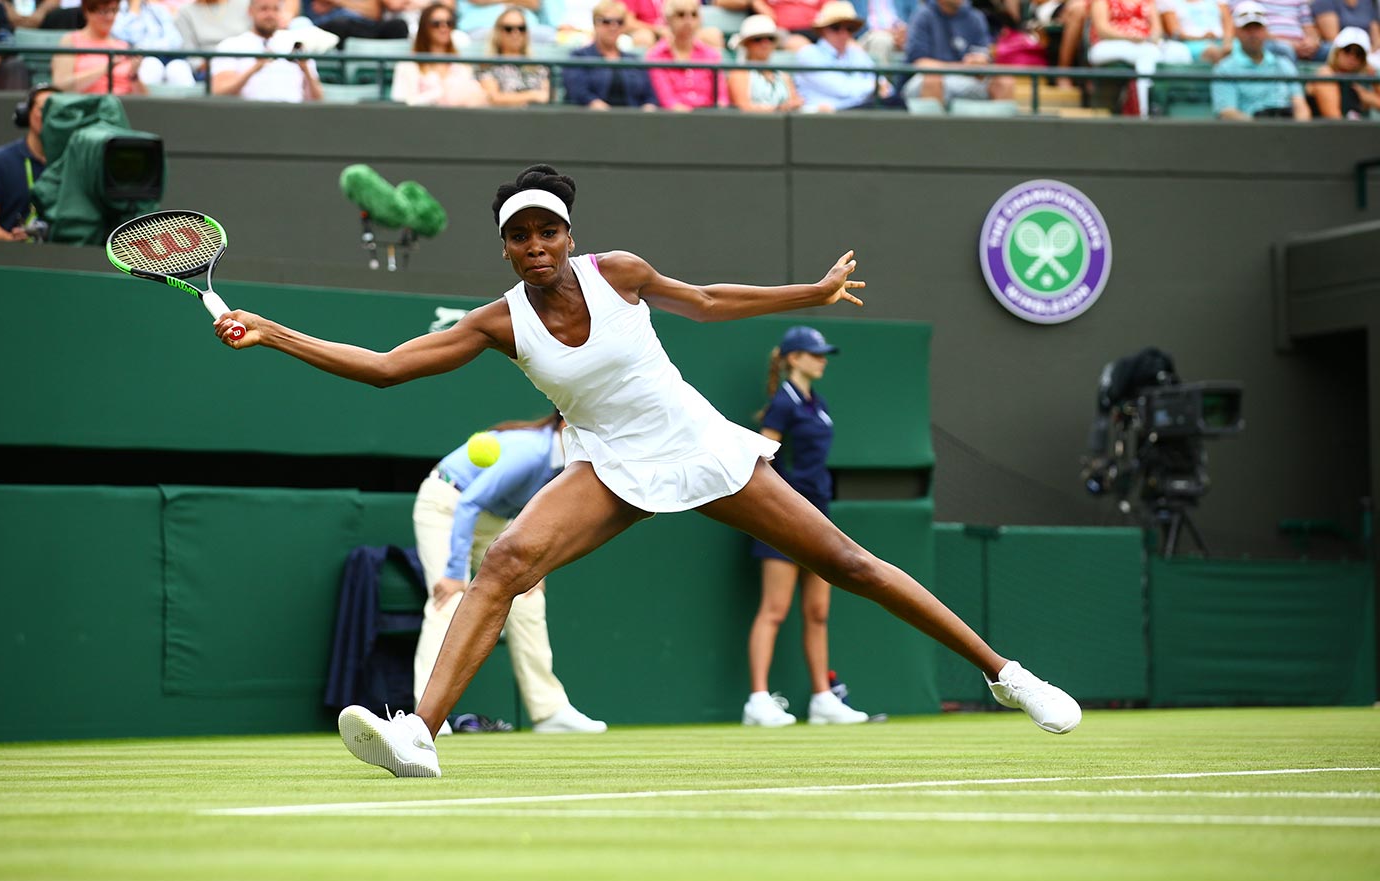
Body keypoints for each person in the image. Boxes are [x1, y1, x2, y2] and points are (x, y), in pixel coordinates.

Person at [206, 163, 1083, 778]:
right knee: (506, 561)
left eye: (548, 229)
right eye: (520, 235)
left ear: (568, 234)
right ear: (506, 249)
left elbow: (705, 303)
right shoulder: (497, 322)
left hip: (699, 445)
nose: (536, 244)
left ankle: (1007, 675)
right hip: (610, 465)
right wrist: (275, 332)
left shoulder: (618, 273)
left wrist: (806, 296)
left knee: (847, 562)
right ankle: (420, 734)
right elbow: (389, 366)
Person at [412, 413, 607, 735]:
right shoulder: (531, 452)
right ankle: (426, 715)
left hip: (493, 519)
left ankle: (549, 711)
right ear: (564, 425)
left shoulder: (568, 464)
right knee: (448, 602)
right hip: (447, 504)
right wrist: (452, 572)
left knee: (528, 599)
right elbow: (470, 503)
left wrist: (531, 565)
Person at [743, 326, 868, 728]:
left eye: (824, 354)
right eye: (815, 353)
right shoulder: (783, 404)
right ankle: (758, 701)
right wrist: (774, 510)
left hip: (820, 516)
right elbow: (761, 459)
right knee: (775, 610)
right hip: (782, 518)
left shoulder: (819, 402)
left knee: (817, 611)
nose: (822, 359)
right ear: (793, 358)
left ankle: (821, 699)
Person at [0, 83, 53, 241]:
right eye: (44, 110)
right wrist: (9, 240)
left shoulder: (72, 163)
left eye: (57, 112)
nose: (50, 117)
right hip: (8, 258)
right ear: (27, 113)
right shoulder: (0, 161)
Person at [1085, 0, 1191, 116]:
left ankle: (1183, 107)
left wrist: (1151, 38)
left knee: (1180, 51)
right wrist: (1130, 37)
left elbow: (1157, 30)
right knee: (1146, 54)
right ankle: (1144, 111)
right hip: (1107, 45)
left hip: (1144, 44)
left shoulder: (1148, 1)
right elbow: (1102, 30)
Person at [904, 0, 1016, 106]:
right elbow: (920, 63)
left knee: (1005, 81)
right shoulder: (922, 16)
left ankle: (998, 127)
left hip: (969, 79)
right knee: (932, 79)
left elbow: (982, 59)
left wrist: (979, 62)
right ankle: (933, 127)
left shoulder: (976, 17)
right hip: (927, 79)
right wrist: (962, 67)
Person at [1213, 1, 1311, 117]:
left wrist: (1297, 131)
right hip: (1250, 132)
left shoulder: (1284, 64)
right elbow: (1227, 112)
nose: (1253, 34)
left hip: (1286, 129)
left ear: (1265, 30)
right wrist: (1262, 130)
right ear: (1236, 32)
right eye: (1247, 28)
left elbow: (1300, 106)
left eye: (1258, 27)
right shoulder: (1224, 69)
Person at [213, 0, 325, 101]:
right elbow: (219, 93)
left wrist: (305, 69)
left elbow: (317, 99)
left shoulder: (297, 44)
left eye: (275, 9)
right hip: (248, 115)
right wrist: (254, 68)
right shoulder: (230, 45)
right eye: (264, 9)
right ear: (250, 11)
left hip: (292, 116)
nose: (270, 15)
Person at [562, 0, 660, 108]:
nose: (613, 27)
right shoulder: (579, 57)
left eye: (619, 22)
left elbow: (650, 95)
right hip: (591, 120)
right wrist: (596, 105)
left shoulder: (634, 61)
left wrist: (649, 107)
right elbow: (578, 92)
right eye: (606, 21)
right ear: (595, 24)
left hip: (633, 120)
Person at [794, 1, 885, 111]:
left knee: (896, 102)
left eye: (849, 28)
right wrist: (873, 87)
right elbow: (843, 90)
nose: (843, 33)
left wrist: (876, 87)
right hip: (825, 119)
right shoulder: (808, 54)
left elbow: (885, 86)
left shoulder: (856, 53)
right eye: (835, 27)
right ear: (823, 30)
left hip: (859, 112)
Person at [390, 2, 488, 105]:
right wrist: (439, 95)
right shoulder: (407, 66)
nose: (444, 28)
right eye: (436, 23)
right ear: (425, 27)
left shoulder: (462, 66)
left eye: (449, 23)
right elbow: (401, 102)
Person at [645, 0, 729, 110]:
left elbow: (721, 97)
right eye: (681, 14)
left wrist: (718, 112)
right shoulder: (655, 56)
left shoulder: (712, 55)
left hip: (709, 118)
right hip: (673, 120)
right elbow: (667, 100)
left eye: (694, 15)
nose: (688, 20)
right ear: (668, 19)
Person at [51, 0, 147, 95]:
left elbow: (144, 99)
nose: (110, 17)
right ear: (87, 12)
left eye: (114, 10)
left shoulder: (123, 45)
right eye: (103, 11)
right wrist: (106, 68)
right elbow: (61, 86)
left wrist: (133, 75)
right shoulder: (71, 41)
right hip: (86, 105)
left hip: (124, 105)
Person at [726, 13, 803, 112]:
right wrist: (778, 109)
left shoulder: (783, 75)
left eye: (770, 39)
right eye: (758, 39)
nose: (765, 44)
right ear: (746, 44)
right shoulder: (739, 74)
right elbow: (744, 107)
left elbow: (795, 101)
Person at [477, 5, 551, 106]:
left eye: (521, 28)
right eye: (509, 29)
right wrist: (532, 95)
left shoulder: (538, 67)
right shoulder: (487, 65)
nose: (515, 33)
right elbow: (493, 98)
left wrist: (513, 99)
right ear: (498, 32)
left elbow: (546, 97)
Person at [113, 0, 197, 87]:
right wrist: (134, 10)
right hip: (138, 60)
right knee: (152, 65)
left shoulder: (158, 9)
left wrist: (150, 48)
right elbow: (126, 38)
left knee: (178, 67)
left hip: (167, 57)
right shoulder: (116, 10)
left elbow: (176, 41)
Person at [1307, 24, 1379, 117]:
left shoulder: (1357, 86)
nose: (1352, 57)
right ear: (1337, 51)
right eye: (1347, 50)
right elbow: (1334, 119)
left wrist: (1370, 90)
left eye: (1359, 54)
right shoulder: (1326, 74)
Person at [1159, 0, 1235, 64]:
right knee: (1213, 52)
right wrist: (1202, 38)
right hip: (1190, 44)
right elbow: (1175, 31)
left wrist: (1227, 42)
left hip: (1221, 40)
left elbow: (1228, 22)